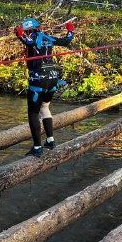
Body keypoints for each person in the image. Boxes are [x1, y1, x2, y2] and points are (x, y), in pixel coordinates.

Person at [15, 17, 75, 158]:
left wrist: (19, 35)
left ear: (29, 30)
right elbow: (66, 41)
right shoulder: (48, 37)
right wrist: (70, 30)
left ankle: (37, 148)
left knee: (33, 113)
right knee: (45, 108)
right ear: (39, 28)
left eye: (26, 31)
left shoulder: (32, 37)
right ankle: (50, 140)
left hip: (39, 79)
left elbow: (29, 41)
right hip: (53, 78)